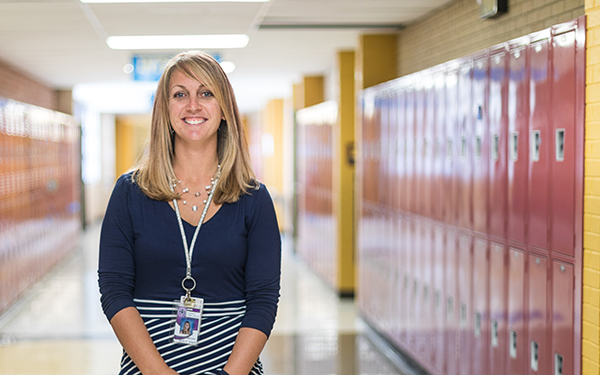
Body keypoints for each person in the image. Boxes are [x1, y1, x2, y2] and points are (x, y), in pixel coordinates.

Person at [98, 50, 281, 375]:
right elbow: (114, 290)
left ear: (224, 109)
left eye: (206, 93)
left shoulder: (254, 199)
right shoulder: (129, 192)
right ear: (164, 110)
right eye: (180, 94)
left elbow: (263, 300)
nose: (193, 105)